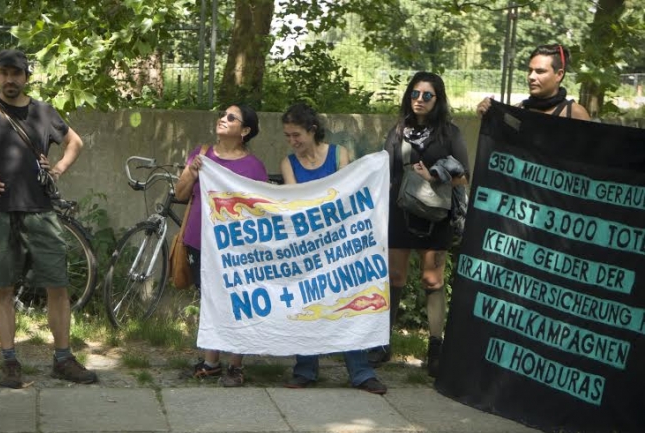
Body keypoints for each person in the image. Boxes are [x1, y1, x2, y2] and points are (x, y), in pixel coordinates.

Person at [0, 49, 96, 388]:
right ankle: (10, 362)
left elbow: (74, 141)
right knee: (2, 289)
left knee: (58, 284)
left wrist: (58, 168)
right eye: (4, 72)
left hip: (41, 211)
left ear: (27, 76)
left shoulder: (42, 112)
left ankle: (63, 359)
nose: (10, 79)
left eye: (16, 73)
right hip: (0, 212)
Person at [279, 102, 387, 395]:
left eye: (296, 135)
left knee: (348, 302)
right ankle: (305, 370)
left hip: (341, 244)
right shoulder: (289, 163)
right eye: (288, 136)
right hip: (308, 247)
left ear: (312, 130)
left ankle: (361, 372)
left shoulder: (340, 154)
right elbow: (294, 202)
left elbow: (347, 195)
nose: (292, 142)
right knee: (307, 303)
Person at [370, 72, 470, 378]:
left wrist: (434, 176)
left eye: (427, 95)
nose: (420, 100)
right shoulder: (398, 131)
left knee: (432, 281)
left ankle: (436, 348)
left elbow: (464, 176)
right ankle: (381, 341)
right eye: (415, 94)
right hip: (401, 213)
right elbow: (382, 171)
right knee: (395, 276)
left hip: (436, 217)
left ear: (438, 99)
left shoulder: (450, 133)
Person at [175, 104, 268, 387]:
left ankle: (235, 366)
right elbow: (180, 193)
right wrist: (192, 171)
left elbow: (263, 209)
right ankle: (210, 363)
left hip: (236, 247)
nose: (222, 119)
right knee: (210, 300)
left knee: (237, 301)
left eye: (231, 118)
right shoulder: (201, 154)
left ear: (245, 131)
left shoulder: (253, 167)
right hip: (199, 240)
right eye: (222, 115)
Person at [477, 44, 590, 120]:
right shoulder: (517, 111)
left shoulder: (575, 113)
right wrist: (489, 116)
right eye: (530, 70)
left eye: (540, 71)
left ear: (559, 75)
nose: (531, 76)